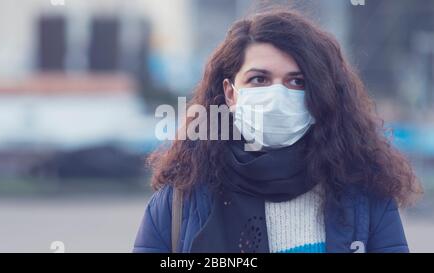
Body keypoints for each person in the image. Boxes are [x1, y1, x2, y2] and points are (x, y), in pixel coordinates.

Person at [133, 8, 422, 253]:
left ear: (320, 94)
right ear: (230, 94)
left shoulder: (366, 200)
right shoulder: (179, 204)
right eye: (259, 79)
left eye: (297, 82)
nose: (277, 96)